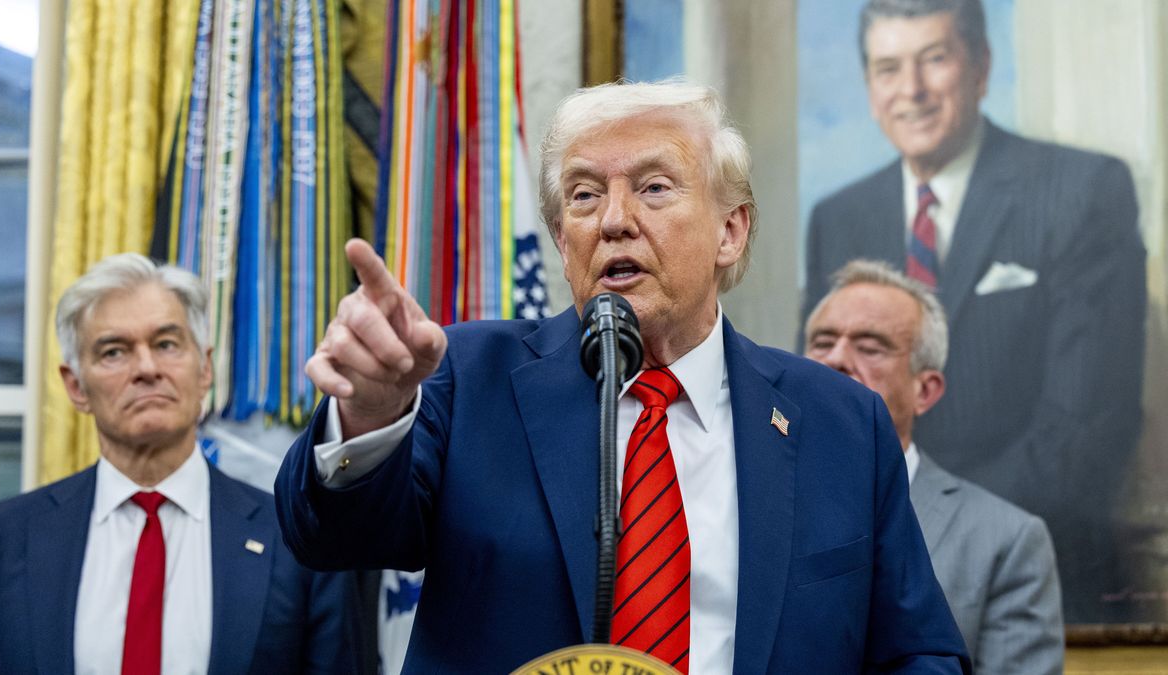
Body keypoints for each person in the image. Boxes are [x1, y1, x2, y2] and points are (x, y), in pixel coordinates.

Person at [275, 81, 969, 673]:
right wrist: (370, 412)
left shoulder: (841, 423)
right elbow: (334, 536)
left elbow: (921, 651)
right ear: (562, 242)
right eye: (583, 196)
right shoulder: (467, 379)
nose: (613, 220)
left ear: (731, 229)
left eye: (653, 187)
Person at [802, 0, 1146, 620]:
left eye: (934, 59)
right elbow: (823, 416)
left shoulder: (1082, 192)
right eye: (887, 68)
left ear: (982, 67)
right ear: (869, 85)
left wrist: (920, 531)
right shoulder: (838, 218)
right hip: (859, 592)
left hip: (1037, 582)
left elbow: (1083, 438)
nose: (911, 91)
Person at [0, 254, 362, 674]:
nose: (147, 368)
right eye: (114, 352)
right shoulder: (1, 541)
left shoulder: (299, 542)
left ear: (205, 368)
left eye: (166, 344)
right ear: (76, 386)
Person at [805, 259, 1063, 674]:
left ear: (925, 390)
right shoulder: (752, 495)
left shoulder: (1005, 540)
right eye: (821, 343)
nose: (836, 359)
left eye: (869, 347)